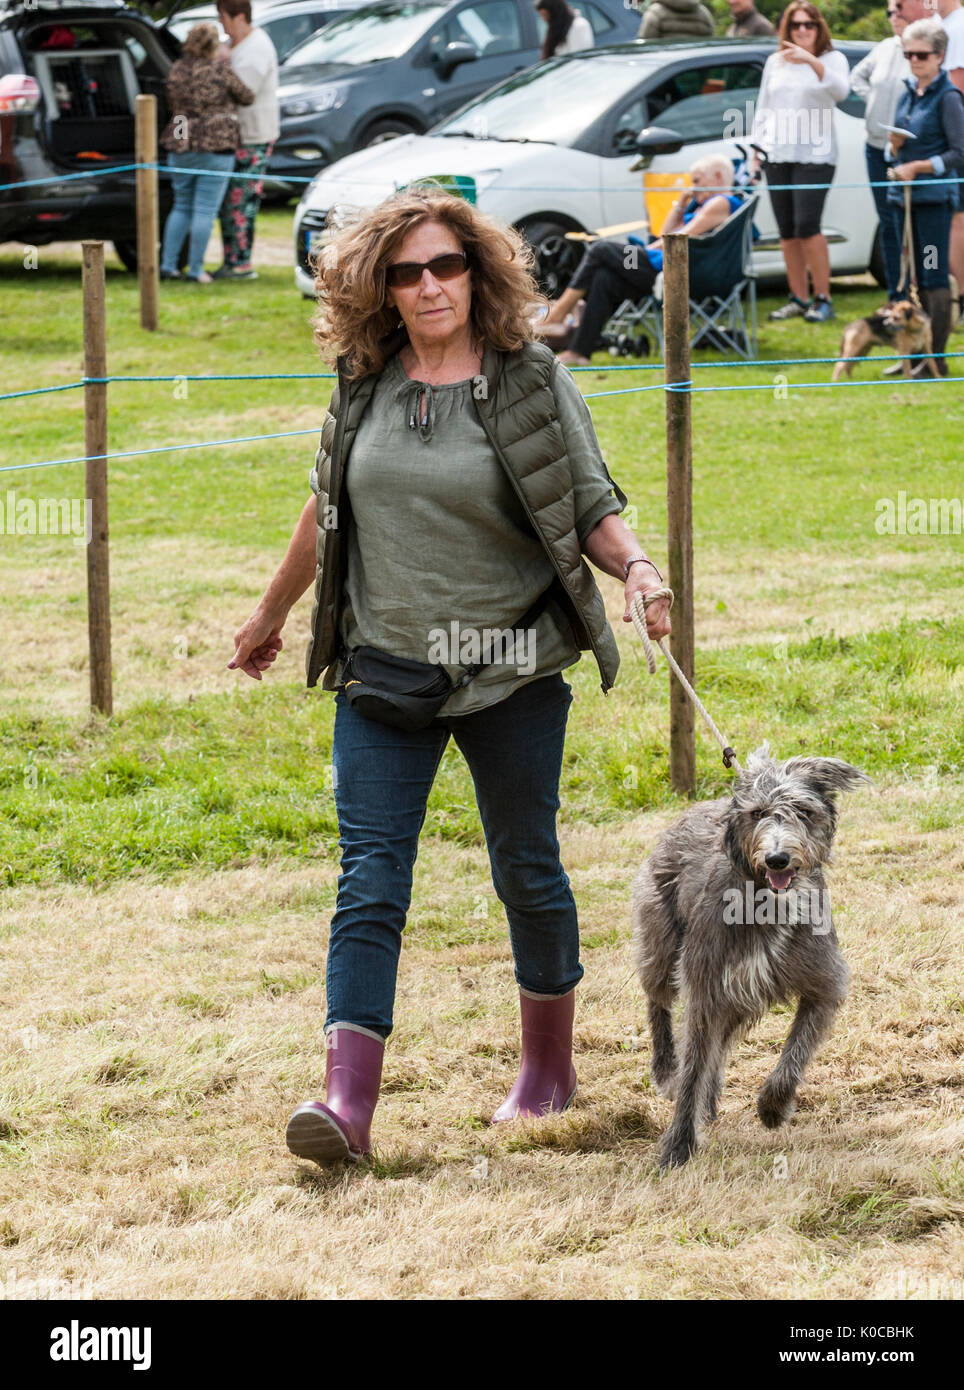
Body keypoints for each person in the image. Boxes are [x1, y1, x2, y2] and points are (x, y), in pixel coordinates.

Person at [226, 187, 672, 1164]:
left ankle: (546, 1071)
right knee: (369, 877)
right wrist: (272, 612)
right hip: (384, 664)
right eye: (406, 272)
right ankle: (346, 1107)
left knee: (526, 864)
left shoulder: (529, 380)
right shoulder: (363, 379)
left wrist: (636, 567)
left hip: (508, 663)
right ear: (376, 287)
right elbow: (324, 504)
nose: (429, 285)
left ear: (477, 273)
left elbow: (587, 502)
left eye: (446, 266)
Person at [542, 154, 743, 366]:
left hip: (685, 273)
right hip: (671, 266)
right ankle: (579, 352)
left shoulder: (720, 203)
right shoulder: (704, 205)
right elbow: (664, 234)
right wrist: (682, 203)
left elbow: (676, 239)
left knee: (601, 249)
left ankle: (558, 314)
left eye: (697, 181)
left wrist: (643, 252)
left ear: (719, 177)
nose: (692, 187)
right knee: (604, 278)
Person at [752, 3, 850, 322]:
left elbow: (841, 91)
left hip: (816, 156)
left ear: (819, 27)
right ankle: (798, 297)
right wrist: (757, 149)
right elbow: (764, 108)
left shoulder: (832, 60)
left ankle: (824, 298)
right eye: (796, 25)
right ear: (787, 29)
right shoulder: (775, 62)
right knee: (788, 232)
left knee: (808, 228)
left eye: (809, 24)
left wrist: (811, 60)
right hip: (778, 154)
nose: (803, 30)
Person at [887, 18, 964, 374]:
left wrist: (918, 166)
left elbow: (959, 153)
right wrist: (893, 148)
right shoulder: (907, 92)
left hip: (933, 201)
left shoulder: (948, 98)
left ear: (940, 56)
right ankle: (912, 353)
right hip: (902, 201)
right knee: (909, 277)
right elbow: (895, 150)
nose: (914, 61)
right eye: (908, 54)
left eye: (921, 54)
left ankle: (936, 358)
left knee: (932, 274)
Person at [159, 23, 254, 284]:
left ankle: (168, 266)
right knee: (204, 210)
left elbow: (171, 102)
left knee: (181, 206)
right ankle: (195, 270)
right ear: (214, 45)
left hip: (180, 140)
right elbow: (247, 96)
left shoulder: (178, 69)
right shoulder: (220, 70)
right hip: (216, 143)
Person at [213, 0, 279, 282]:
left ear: (239, 16)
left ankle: (240, 264)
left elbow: (243, 91)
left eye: (223, 18)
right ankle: (232, 260)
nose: (222, 25)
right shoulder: (238, 44)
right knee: (230, 202)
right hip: (237, 137)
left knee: (241, 203)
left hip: (253, 137)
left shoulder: (257, 47)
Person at [851, 4, 909, 301]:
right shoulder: (885, 47)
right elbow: (857, 77)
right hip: (875, 146)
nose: (894, 17)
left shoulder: (921, 49)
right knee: (887, 222)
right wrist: (872, 100)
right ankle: (895, 294)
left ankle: (915, 288)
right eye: (890, 13)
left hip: (907, 149)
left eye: (899, 11)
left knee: (909, 221)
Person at [636, 0, 715, 43]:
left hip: (665, 70)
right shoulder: (704, 12)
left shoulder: (655, 12)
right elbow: (710, 44)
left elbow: (645, 45)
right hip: (695, 69)